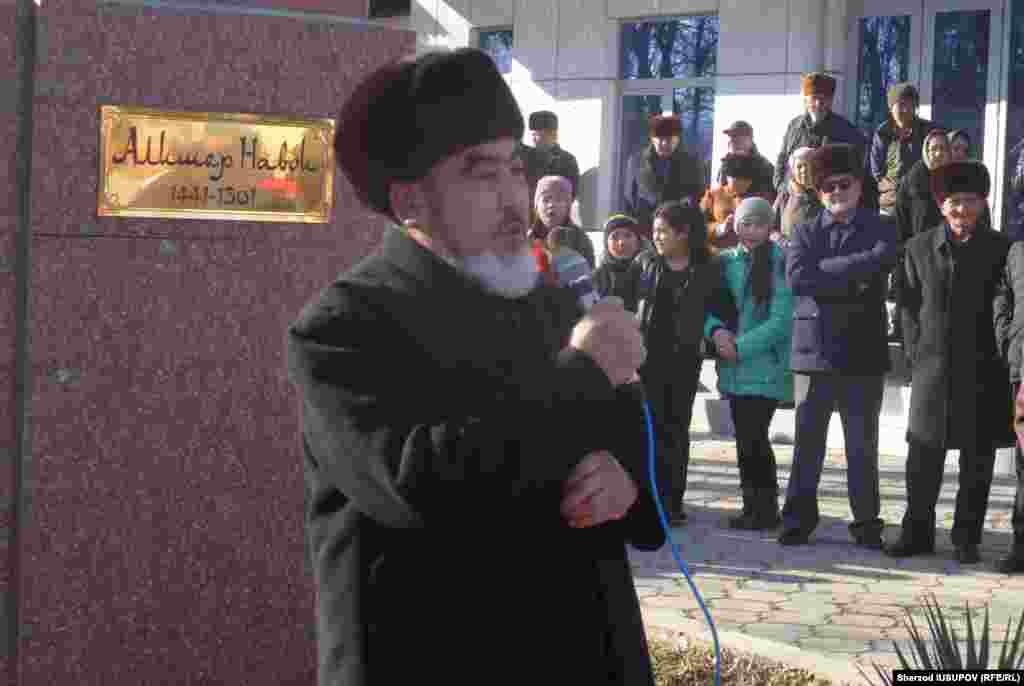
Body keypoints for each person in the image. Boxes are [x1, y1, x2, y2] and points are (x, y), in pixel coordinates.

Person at [289, 47, 665, 686]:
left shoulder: (552, 303)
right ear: (410, 200)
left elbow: (629, 436)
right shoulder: (345, 325)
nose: (514, 198)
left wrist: (625, 483)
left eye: (515, 168)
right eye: (481, 174)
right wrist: (581, 373)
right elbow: (418, 484)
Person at [887, 161, 1014, 563]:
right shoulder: (917, 248)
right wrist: (915, 354)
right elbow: (907, 308)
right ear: (941, 205)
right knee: (923, 459)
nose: (962, 210)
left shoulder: (1001, 249)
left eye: (971, 201)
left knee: (977, 461)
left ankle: (966, 538)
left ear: (983, 202)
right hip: (933, 369)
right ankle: (917, 533)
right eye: (954, 202)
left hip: (983, 370)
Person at [778, 144, 899, 547]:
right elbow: (798, 279)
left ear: (859, 186)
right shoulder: (805, 230)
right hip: (814, 352)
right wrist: (855, 274)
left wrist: (825, 273)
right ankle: (797, 520)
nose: (836, 192)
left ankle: (866, 523)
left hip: (862, 352)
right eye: (828, 186)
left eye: (844, 184)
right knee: (807, 443)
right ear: (818, 192)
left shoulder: (881, 227)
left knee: (862, 444)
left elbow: (882, 259)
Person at [619, 201, 735, 525]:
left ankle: (671, 503)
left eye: (663, 231)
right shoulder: (644, 263)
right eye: (654, 231)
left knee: (676, 430)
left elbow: (721, 307)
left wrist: (714, 334)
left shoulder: (706, 267)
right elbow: (624, 303)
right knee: (647, 430)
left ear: (683, 233)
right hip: (646, 360)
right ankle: (643, 502)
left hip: (684, 360)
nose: (656, 237)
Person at [705, 198, 794, 530]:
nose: (753, 231)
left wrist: (739, 348)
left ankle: (765, 508)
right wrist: (715, 333)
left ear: (770, 227)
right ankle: (753, 507)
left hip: (764, 365)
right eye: (746, 223)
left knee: (754, 438)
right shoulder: (724, 261)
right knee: (746, 440)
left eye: (760, 224)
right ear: (736, 225)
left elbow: (781, 320)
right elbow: (708, 305)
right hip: (732, 366)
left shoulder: (779, 262)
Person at [773, 73, 867, 197]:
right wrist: (783, 187)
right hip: (793, 199)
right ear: (806, 100)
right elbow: (782, 159)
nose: (818, 104)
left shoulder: (846, 131)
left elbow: (856, 170)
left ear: (831, 101)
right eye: (814, 98)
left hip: (827, 202)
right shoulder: (794, 126)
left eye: (824, 99)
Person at [623, 114, 706, 234]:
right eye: (660, 139)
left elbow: (699, 195)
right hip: (646, 229)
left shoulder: (691, 162)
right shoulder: (636, 161)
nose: (664, 144)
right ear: (652, 139)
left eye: (669, 139)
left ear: (677, 139)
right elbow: (629, 199)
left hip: (678, 230)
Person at [870, 83, 935, 216]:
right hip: (890, 205)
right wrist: (891, 187)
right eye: (901, 105)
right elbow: (877, 171)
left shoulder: (927, 131)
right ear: (891, 108)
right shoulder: (883, 133)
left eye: (911, 105)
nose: (906, 110)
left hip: (919, 204)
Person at [998, 239, 1024, 573]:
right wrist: (1005, 334)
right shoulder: (1018, 251)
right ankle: (1021, 547)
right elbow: (1002, 293)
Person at [700, 153, 775, 255]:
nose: (743, 184)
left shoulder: (761, 197)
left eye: (747, 180)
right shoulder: (713, 195)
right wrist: (720, 228)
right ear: (727, 177)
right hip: (719, 253)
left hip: (752, 255)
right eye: (737, 181)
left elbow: (770, 227)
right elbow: (699, 226)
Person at [528, 175, 596, 268]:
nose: (551, 205)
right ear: (536, 206)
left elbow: (590, 273)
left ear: (568, 207)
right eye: (546, 199)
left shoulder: (580, 240)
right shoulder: (525, 239)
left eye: (558, 199)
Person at [524, 110, 581, 200]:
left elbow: (571, 194)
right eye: (532, 135)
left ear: (553, 135)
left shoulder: (567, 160)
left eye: (537, 135)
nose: (533, 139)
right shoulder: (528, 156)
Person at [774, 147, 823, 243]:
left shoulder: (827, 193)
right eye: (799, 166)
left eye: (809, 165)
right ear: (793, 170)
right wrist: (783, 242)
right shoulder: (785, 195)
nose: (804, 170)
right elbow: (770, 227)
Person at [714, 120, 775, 195]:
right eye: (731, 137)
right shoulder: (726, 163)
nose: (732, 140)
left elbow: (737, 190)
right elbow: (720, 191)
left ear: (749, 140)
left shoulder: (763, 166)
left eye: (737, 136)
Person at [593, 214, 643, 298]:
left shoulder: (651, 273)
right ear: (606, 243)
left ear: (638, 241)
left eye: (628, 235)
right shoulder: (597, 278)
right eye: (614, 237)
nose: (621, 242)